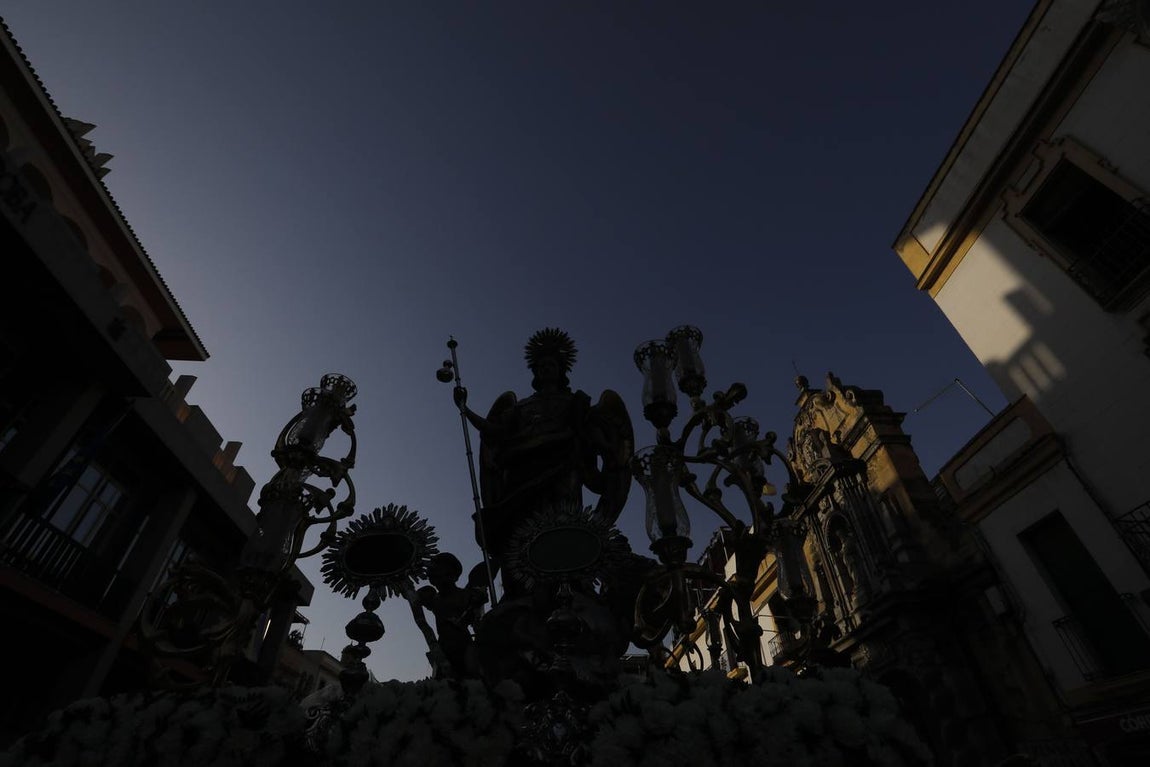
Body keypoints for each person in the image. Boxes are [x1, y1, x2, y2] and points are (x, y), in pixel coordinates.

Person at [452, 328, 633, 584]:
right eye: (541, 366)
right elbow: (495, 432)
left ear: (561, 370)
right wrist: (465, 409)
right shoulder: (520, 407)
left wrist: (608, 453)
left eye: (551, 365)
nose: (546, 369)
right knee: (522, 526)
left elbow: (595, 437)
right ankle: (524, 580)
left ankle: (568, 577)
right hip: (522, 473)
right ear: (535, 372)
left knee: (562, 520)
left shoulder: (576, 401)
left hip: (564, 466)